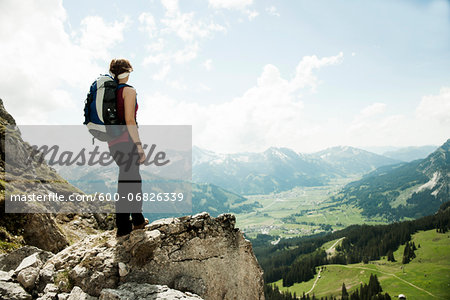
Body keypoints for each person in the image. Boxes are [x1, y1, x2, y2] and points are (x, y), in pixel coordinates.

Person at [107, 58, 148, 237]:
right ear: (127, 72)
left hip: (113, 143)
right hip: (127, 141)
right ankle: (126, 227)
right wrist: (139, 146)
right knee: (131, 183)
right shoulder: (128, 91)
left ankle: (135, 220)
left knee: (127, 181)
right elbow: (130, 120)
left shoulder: (110, 91)